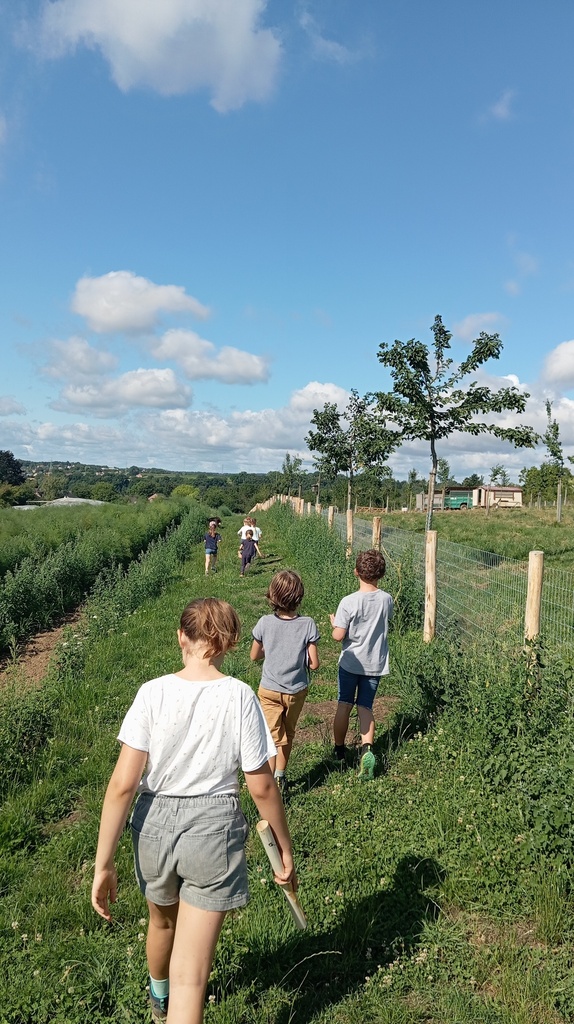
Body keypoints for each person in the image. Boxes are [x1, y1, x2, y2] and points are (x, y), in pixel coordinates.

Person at [91, 598, 295, 1024]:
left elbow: (123, 784)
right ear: (230, 643)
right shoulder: (239, 696)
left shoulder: (152, 692)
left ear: (181, 637)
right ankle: (175, 998)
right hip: (213, 831)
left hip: (152, 826)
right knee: (192, 981)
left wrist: (103, 863)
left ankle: (157, 995)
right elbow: (260, 784)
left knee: (161, 922)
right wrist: (284, 846)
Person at [251, 570, 319, 797]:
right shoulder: (308, 624)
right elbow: (315, 663)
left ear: (272, 595)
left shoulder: (264, 623)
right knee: (287, 734)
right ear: (299, 597)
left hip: (269, 689)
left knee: (272, 736)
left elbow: (254, 655)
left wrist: (272, 649)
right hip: (296, 690)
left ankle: (268, 784)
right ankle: (280, 775)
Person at [330, 549, 393, 781]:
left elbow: (338, 636)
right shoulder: (387, 599)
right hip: (374, 663)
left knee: (344, 704)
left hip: (350, 662)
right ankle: (367, 749)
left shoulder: (348, 601)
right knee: (365, 707)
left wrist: (335, 623)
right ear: (382, 574)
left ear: (356, 572)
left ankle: (339, 749)